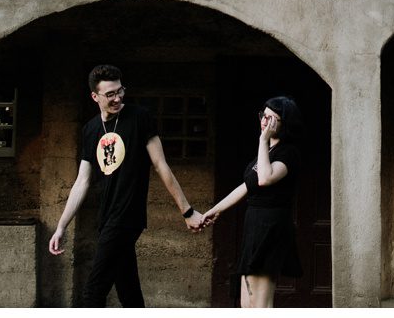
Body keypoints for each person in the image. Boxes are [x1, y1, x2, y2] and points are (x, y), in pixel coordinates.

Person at [49, 64, 205, 306]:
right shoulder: (90, 130)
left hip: (126, 217)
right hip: (107, 218)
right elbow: (82, 181)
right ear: (95, 97)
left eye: (120, 90)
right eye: (110, 94)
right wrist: (61, 227)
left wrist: (187, 211)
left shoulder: (139, 117)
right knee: (129, 293)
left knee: (93, 293)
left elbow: (161, 165)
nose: (117, 98)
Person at [197, 95, 302, 308]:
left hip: (271, 227)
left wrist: (263, 141)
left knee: (260, 304)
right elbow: (247, 186)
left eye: (272, 119)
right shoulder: (267, 152)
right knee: (247, 302)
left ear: (285, 123)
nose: (265, 121)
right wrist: (215, 210)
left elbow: (264, 179)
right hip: (254, 226)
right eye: (264, 116)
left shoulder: (288, 152)